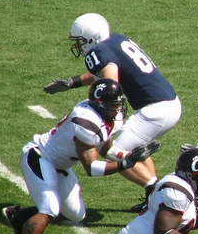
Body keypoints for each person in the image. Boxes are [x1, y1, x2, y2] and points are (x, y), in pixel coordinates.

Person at [0, 79, 160, 234]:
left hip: (62, 165)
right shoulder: (85, 122)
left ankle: (20, 216)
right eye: (113, 105)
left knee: (75, 214)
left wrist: (127, 156)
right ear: (99, 104)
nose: (118, 109)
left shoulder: (111, 116)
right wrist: (124, 165)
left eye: (119, 103)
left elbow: (105, 148)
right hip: (41, 157)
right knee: (49, 209)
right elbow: (91, 168)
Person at [44, 13, 183, 212]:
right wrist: (73, 82)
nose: (78, 45)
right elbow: (108, 70)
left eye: (80, 41)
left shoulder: (98, 52)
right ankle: (153, 195)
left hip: (156, 110)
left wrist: (104, 108)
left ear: (91, 37)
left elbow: (110, 83)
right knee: (134, 148)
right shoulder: (116, 39)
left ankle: (158, 194)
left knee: (112, 152)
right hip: (166, 103)